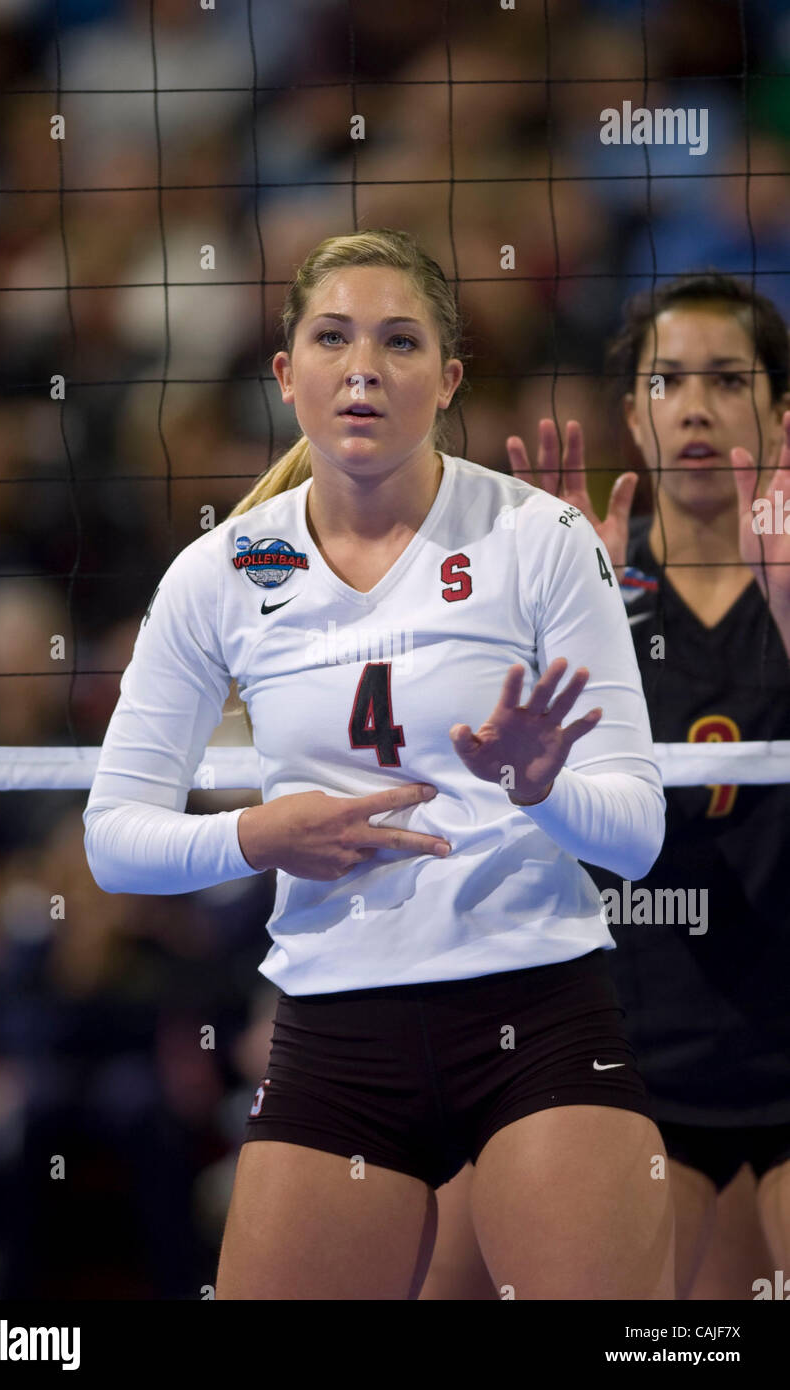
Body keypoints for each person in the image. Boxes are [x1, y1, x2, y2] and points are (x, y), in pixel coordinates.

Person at [83, 228, 674, 1300]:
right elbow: (113, 841)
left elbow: (637, 836)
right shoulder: (219, 573)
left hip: (536, 1015)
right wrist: (263, 834)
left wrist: (537, 786)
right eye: (332, 337)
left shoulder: (539, 537)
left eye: (399, 341)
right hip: (336, 1032)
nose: (362, 367)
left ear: (448, 378)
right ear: (286, 372)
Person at [419, 271, 790, 1300]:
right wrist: (562, 627)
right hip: (628, 1063)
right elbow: (504, 813)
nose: (700, 405)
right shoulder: (575, 582)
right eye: (670, 379)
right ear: (634, 412)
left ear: (781, 409)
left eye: (730, 377)